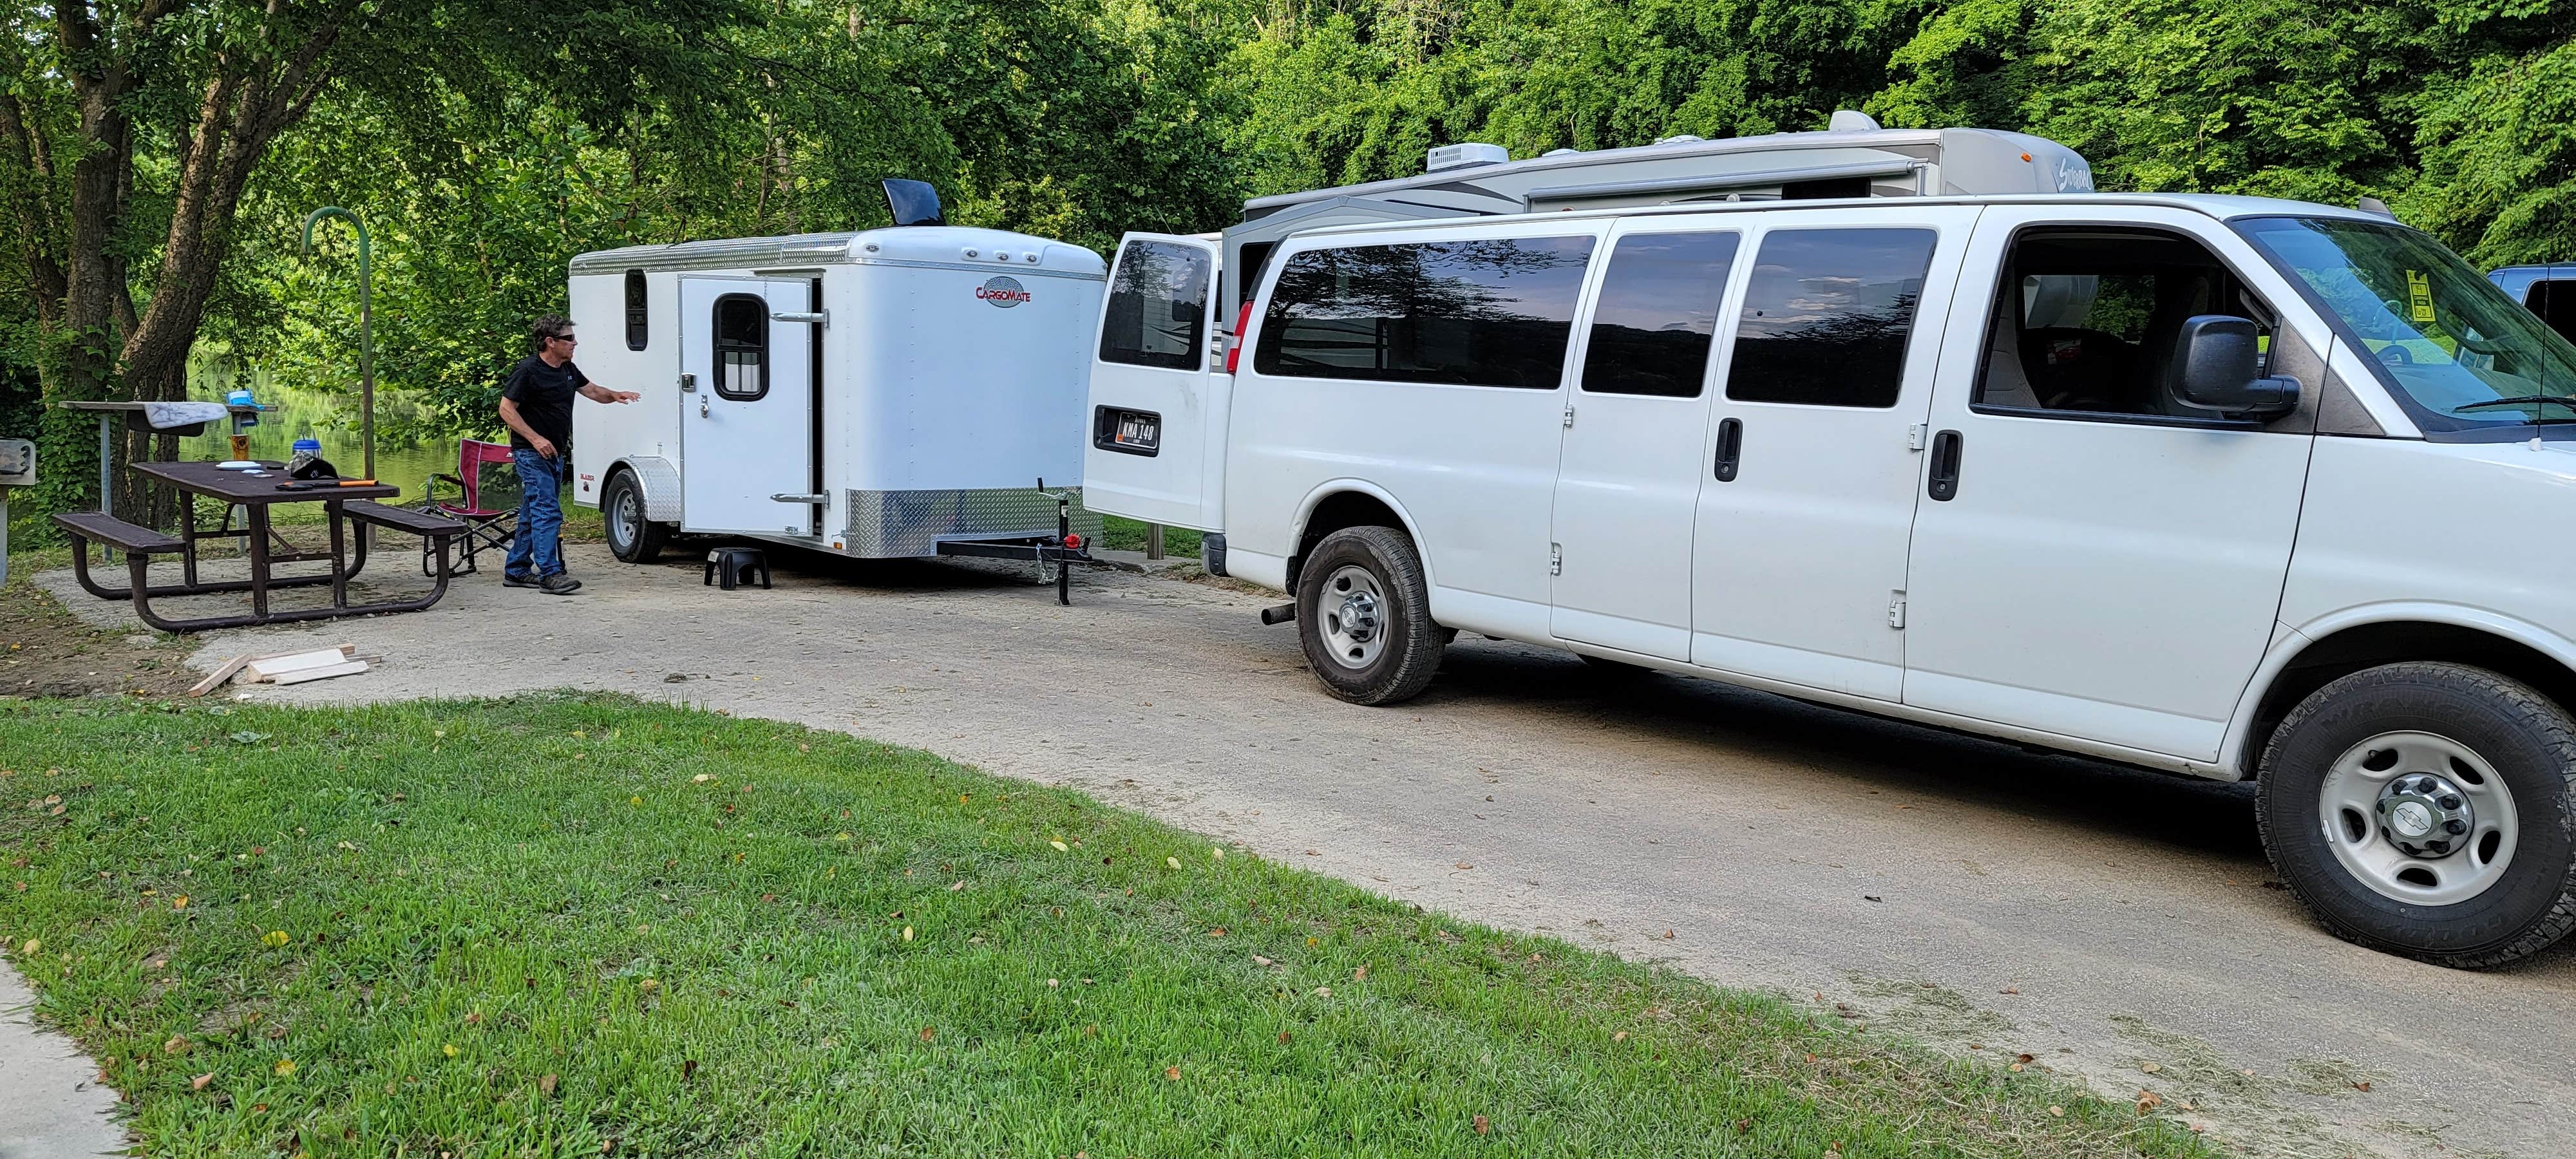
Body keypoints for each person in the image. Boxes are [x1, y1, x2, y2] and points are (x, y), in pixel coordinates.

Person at [497, 315, 639, 594]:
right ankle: (550, 573)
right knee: (547, 510)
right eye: (569, 338)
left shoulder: (568, 369)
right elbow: (506, 409)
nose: (575, 343)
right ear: (551, 342)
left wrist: (616, 395)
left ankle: (516, 569)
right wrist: (536, 439)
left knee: (532, 511)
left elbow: (594, 391)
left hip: (555, 453)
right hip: (531, 453)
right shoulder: (528, 370)